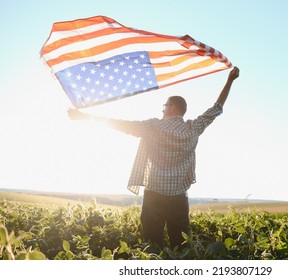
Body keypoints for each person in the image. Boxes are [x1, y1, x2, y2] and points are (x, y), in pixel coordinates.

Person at [68, 66, 240, 249]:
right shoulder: (194, 128)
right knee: (180, 246)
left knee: (152, 245)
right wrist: (230, 80)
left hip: (153, 196)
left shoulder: (153, 126)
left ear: (172, 107)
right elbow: (217, 108)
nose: (163, 109)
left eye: (164, 105)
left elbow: (121, 125)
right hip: (178, 198)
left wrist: (83, 117)